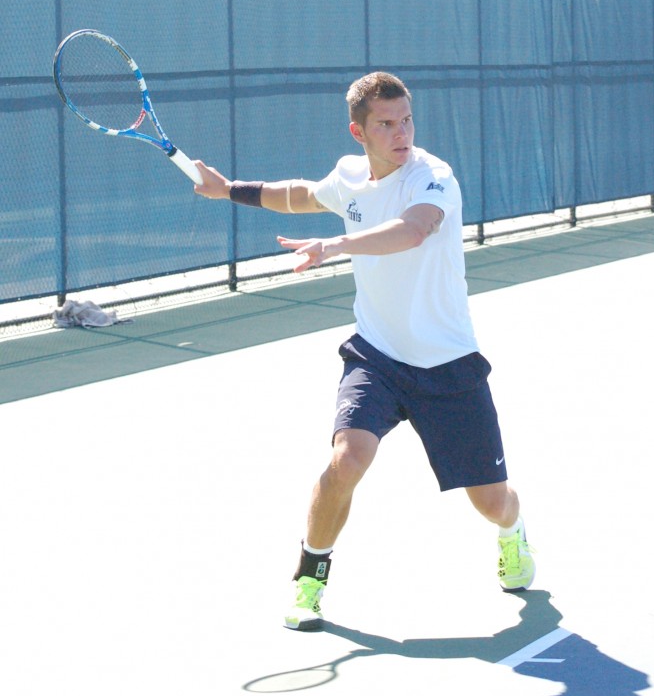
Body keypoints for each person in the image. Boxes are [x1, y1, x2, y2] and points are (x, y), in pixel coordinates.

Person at [193, 71, 535, 631]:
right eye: (386, 124)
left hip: (447, 363)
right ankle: (309, 579)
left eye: (406, 120)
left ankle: (513, 531)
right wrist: (226, 188)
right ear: (360, 132)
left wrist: (335, 244)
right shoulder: (351, 176)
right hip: (376, 355)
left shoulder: (434, 178)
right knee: (345, 459)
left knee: (491, 501)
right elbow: (302, 195)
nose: (402, 133)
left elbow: (413, 231)